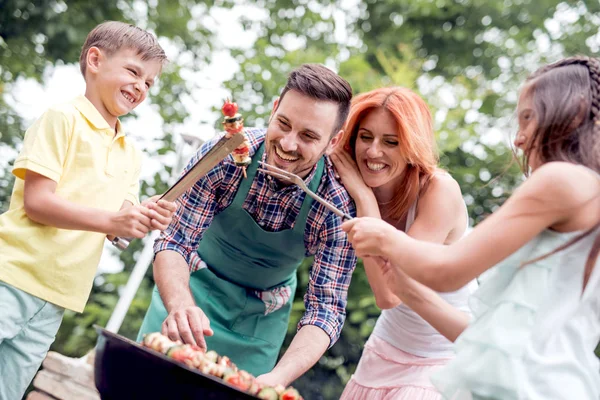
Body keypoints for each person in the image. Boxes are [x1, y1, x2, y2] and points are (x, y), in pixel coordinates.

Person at [343, 56, 600, 400]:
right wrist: (407, 289)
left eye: (528, 118)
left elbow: (447, 271)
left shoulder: (560, 179)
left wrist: (383, 236)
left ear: (569, 113)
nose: (520, 140)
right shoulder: (585, 193)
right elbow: (485, 334)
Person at [137, 64, 357, 386]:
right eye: (283, 124)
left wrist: (277, 378)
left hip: (261, 321)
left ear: (333, 141)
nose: (289, 144)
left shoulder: (335, 207)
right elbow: (175, 240)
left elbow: (325, 309)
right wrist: (180, 305)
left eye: (309, 136)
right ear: (273, 110)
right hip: (188, 292)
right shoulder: (223, 155)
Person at [0, 21, 177, 399]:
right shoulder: (62, 118)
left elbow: (118, 225)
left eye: (149, 82)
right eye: (133, 71)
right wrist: (114, 220)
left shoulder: (131, 153)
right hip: (11, 277)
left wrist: (142, 217)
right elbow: (38, 203)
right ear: (95, 60)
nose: (140, 87)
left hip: (58, 297)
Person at [329, 87, 477, 400]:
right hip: (387, 346)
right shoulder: (346, 184)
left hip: (442, 355)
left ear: (411, 146)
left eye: (391, 142)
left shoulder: (438, 191)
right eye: (365, 137)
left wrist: (365, 202)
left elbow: (390, 293)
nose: (372, 152)